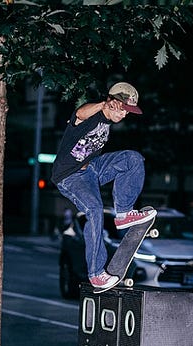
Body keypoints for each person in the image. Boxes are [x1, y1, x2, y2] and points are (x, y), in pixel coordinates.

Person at [51, 82, 156, 291]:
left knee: (133, 159)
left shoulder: (108, 123)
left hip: (92, 170)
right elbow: (79, 113)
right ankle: (96, 273)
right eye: (124, 110)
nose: (125, 115)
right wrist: (103, 105)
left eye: (128, 112)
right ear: (113, 102)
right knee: (95, 209)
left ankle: (123, 213)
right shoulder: (93, 114)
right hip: (70, 176)